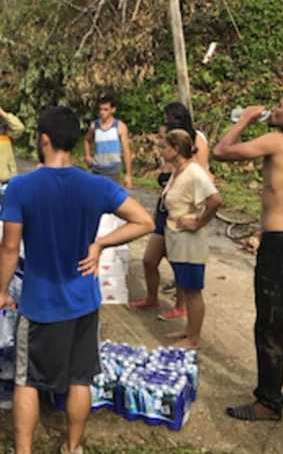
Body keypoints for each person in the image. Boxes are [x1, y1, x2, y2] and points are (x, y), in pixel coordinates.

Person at [0, 106, 154, 454]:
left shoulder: (22, 187)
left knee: (28, 380)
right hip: (83, 300)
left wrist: (2, 292)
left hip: (40, 303)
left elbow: (9, 247)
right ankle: (72, 447)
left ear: (44, 139)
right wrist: (100, 244)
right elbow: (144, 221)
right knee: (80, 378)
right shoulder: (94, 185)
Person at [214, 87, 283, 422]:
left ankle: (268, 401)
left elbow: (221, 151)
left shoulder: (277, 142)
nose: (274, 111)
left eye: (280, 106)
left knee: (271, 325)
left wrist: (246, 118)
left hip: (279, 246)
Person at [133, 102, 211, 321]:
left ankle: (181, 304)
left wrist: (198, 219)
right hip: (165, 207)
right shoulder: (168, 141)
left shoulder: (196, 142)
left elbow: (203, 180)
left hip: (184, 210)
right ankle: (152, 298)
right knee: (150, 259)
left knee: (180, 260)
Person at [159, 129, 221, 349]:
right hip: (177, 237)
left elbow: (215, 200)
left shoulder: (194, 172)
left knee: (193, 291)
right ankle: (189, 330)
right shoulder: (178, 171)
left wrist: (198, 222)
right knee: (185, 286)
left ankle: (194, 338)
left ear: (175, 150)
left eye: (165, 146)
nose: (161, 150)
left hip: (190, 241)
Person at [83, 96, 133, 187]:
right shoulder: (94, 126)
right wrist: (87, 156)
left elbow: (126, 151)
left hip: (113, 170)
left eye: (106, 109)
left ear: (113, 110)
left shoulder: (120, 126)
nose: (102, 112)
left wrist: (128, 175)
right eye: (100, 109)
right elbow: (87, 140)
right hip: (97, 169)